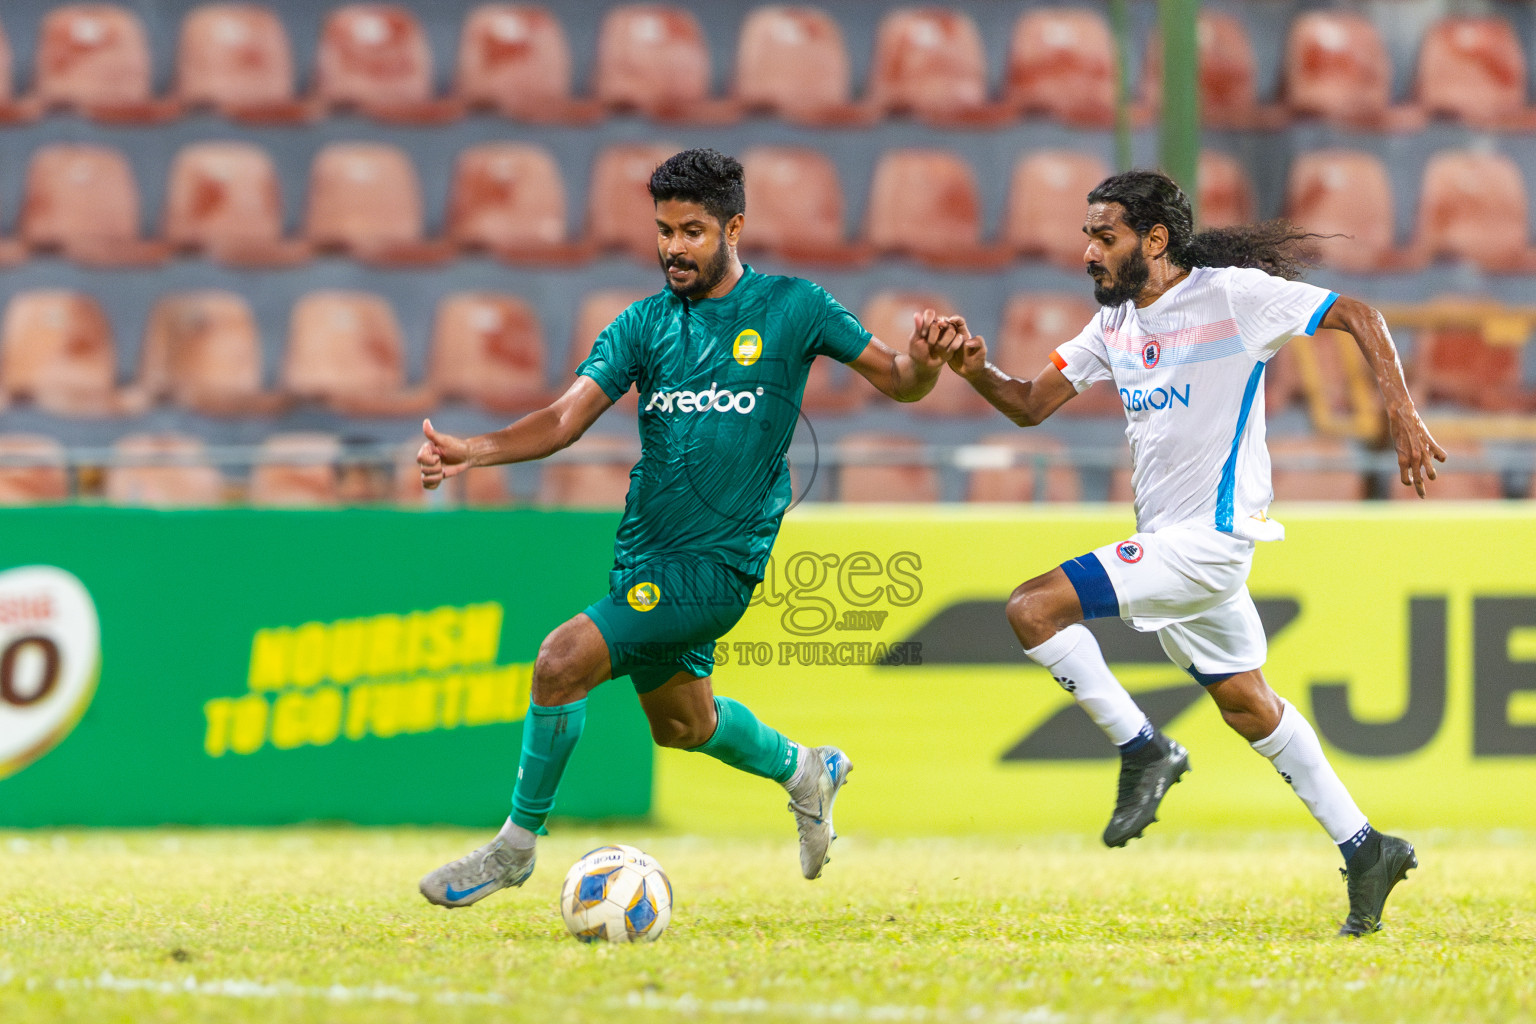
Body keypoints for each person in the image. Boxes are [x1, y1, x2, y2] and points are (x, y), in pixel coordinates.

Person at [414, 148, 963, 908]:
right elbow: (565, 419)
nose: (674, 247)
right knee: (684, 723)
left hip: (718, 567)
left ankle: (515, 847)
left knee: (558, 662)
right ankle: (806, 769)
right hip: (644, 553)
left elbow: (900, 379)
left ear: (734, 228)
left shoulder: (793, 307)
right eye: (665, 230)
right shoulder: (642, 325)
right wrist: (474, 449)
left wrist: (928, 365)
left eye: (693, 231)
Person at [943, 170, 1445, 937]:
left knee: (1030, 607)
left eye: (1103, 237)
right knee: (1249, 705)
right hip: (1174, 551)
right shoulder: (1112, 326)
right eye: (1087, 236)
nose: (1088, 252)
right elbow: (1027, 404)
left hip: (1209, 544)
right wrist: (972, 366)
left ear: (1154, 240)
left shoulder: (1233, 297)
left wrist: (1401, 415)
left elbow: (1359, 314)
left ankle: (1144, 749)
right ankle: (1367, 846)